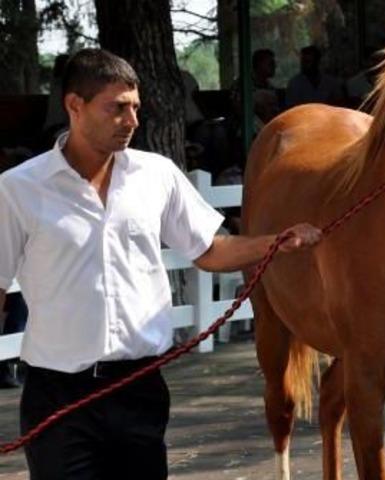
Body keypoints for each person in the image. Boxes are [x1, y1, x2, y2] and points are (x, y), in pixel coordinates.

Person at [0, 48, 322, 480]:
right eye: (117, 108)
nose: (132, 120)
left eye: (135, 107)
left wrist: (275, 243)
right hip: (58, 397)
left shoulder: (157, 175)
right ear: (74, 105)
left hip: (140, 387)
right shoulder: (18, 189)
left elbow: (209, 250)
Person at [283, 45, 345, 109]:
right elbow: (290, 108)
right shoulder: (294, 84)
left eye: (308, 61)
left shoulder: (330, 82)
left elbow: (340, 104)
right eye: (303, 62)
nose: (305, 65)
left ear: (317, 62)